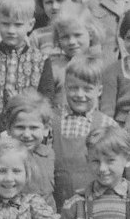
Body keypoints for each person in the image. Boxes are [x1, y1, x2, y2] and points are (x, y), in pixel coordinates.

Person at [50, 53, 121, 207]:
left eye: (87, 89)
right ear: (65, 88)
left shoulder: (107, 124)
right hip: (56, 199)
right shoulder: (51, 120)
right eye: (73, 88)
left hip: (95, 201)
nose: (79, 94)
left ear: (99, 90)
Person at [0, 0, 52, 118]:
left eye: (18, 25)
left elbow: (46, 98)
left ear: (30, 25)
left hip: (29, 125)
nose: (11, 30)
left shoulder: (41, 60)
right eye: (5, 24)